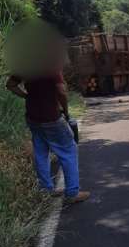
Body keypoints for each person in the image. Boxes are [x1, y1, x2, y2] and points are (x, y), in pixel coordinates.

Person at [6, 71, 90, 205]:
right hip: (51, 117)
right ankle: (72, 193)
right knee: (69, 150)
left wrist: (27, 96)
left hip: (32, 117)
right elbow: (61, 91)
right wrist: (66, 111)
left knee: (41, 152)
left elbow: (10, 85)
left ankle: (46, 190)